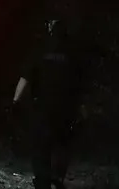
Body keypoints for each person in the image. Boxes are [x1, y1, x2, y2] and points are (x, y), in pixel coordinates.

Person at [12, 11, 90, 189]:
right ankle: (56, 177)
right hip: (67, 109)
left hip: (43, 108)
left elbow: (25, 77)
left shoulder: (40, 49)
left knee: (41, 147)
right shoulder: (73, 53)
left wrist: (16, 101)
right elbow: (81, 82)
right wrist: (83, 108)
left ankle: (43, 181)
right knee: (63, 144)